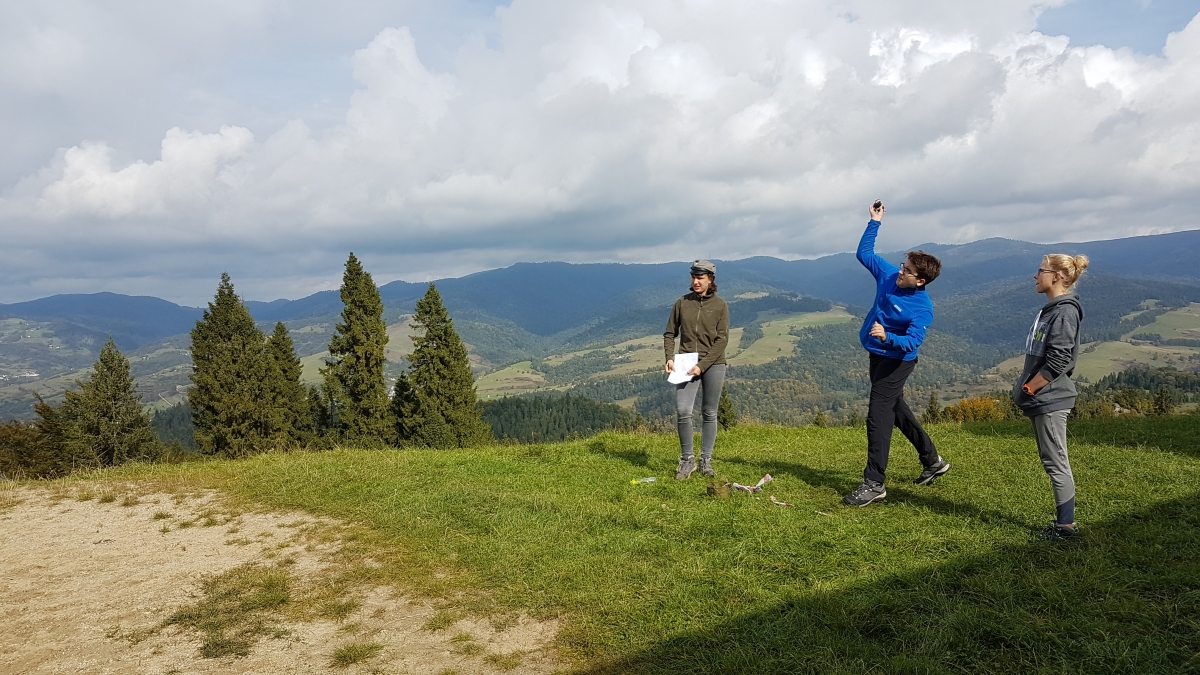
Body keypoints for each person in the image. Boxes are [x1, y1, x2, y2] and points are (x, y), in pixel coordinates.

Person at [843, 200, 949, 507]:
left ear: (921, 281)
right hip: (877, 353)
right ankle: (932, 461)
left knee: (878, 416)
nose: (901, 271)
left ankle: (874, 483)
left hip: (898, 362)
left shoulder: (922, 308)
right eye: (903, 266)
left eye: (908, 271)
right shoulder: (889, 275)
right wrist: (874, 222)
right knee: (896, 408)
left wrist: (888, 336)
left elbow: (913, 343)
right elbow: (864, 254)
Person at [1013, 253, 1088, 541]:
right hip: (1043, 399)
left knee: (1056, 462)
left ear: (1056, 277)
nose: (1035, 276)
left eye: (1041, 271)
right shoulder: (1053, 310)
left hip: (1051, 399)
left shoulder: (1064, 312)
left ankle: (1066, 528)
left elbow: (1059, 359)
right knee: (1051, 459)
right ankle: (1063, 525)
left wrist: (1030, 388)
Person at [664, 260, 730, 480]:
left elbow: (722, 340)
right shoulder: (682, 303)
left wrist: (702, 366)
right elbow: (669, 334)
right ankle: (687, 460)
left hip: (714, 363)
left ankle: (706, 461)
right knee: (683, 411)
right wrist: (669, 358)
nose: (696, 282)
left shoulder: (720, 306)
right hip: (685, 362)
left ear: (710, 279)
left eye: (700, 278)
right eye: (693, 277)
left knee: (709, 413)